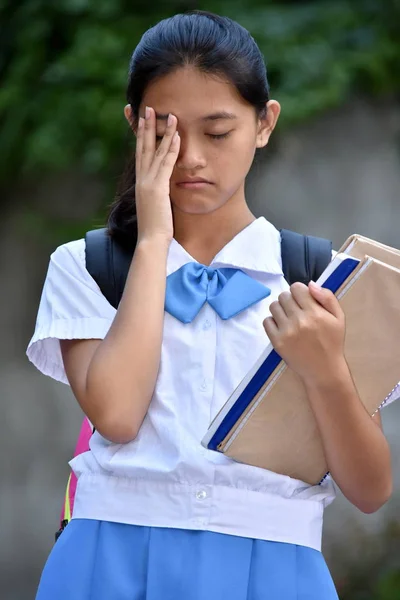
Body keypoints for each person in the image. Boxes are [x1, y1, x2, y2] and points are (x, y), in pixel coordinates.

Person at [27, 10, 395, 600]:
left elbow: (371, 488)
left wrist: (325, 369)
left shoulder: (322, 281)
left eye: (218, 132)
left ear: (264, 123)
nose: (192, 157)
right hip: (111, 558)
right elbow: (117, 416)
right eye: (167, 132)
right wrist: (151, 242)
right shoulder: (86, 266)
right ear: (134, 125)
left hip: (276, 569)